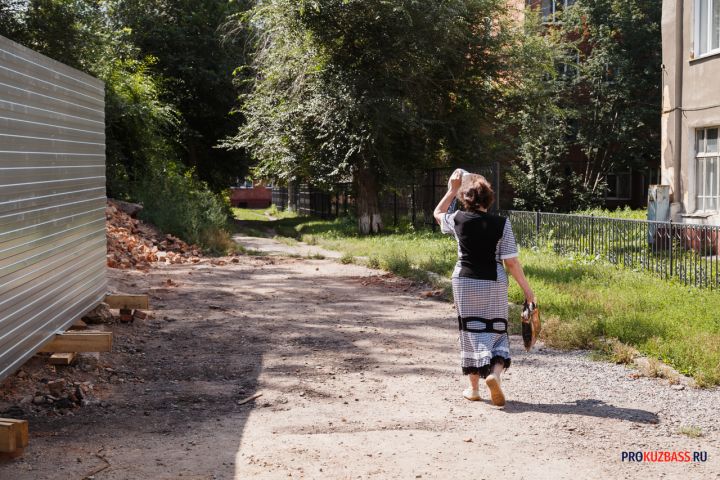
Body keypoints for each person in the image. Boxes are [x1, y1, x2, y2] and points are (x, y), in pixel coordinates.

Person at [434, 169, 534, 406]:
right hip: (494, 282)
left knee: (470, 332)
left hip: (464, 281)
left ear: (465, 198)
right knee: (497, 331)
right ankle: (494, 374)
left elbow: (437, 213)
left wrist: (450, 189)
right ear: (489, 198)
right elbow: (510, 261)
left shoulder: (457, 218)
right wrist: (528, 291)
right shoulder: (502, 224)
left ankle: (474, 389)